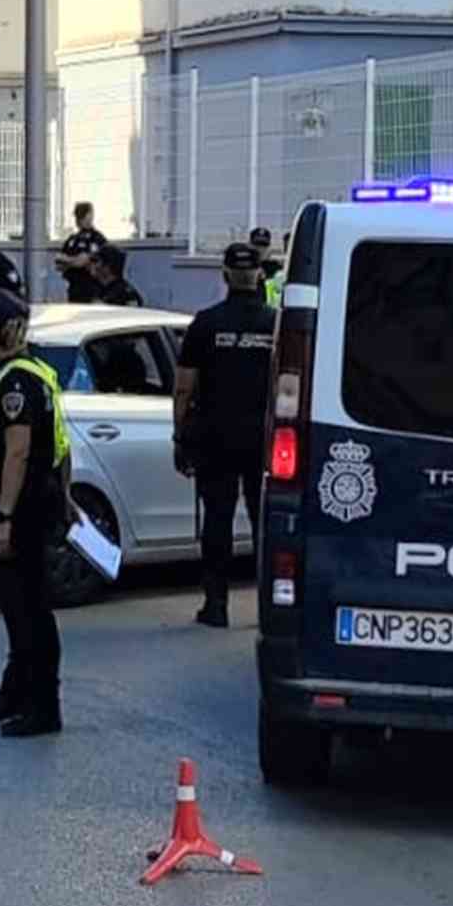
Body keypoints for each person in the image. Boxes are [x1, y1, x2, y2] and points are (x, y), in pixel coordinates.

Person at [0, 288, 70, 737]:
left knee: (30, 608)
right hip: (37, 501)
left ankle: (43, 707)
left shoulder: (17, 382)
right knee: (17, 606)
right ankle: (15, 691)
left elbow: (19, 451)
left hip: (23, 509)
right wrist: (67, 496)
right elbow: (62, 442)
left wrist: (4, 518)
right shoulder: (35, 371)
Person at [174, 243, 277, 627]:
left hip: (214, 436)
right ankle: (268, 607)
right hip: (261, 438)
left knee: (217, 521)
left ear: (224, 275)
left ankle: (215, 605)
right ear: (260, 276)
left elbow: (184, 387)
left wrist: (179, 435)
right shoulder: (275, 323)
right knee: (263, 522)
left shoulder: (205, 323)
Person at [54, 201, 107, 304]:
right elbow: (59, 264)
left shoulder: (97, 238)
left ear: (90, 215)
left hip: (91, 289)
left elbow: (82, 262)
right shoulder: (72, 240)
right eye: (77, 216)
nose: (78, 220)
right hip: (74, 289)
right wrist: (74, 261)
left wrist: (68, 261)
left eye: (82, 215)